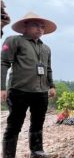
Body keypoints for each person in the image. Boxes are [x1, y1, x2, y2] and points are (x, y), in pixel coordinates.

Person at [1, 11, 57, 158]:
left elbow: (48, 68)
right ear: (25, 26)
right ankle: (8, 155)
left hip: (40, 92)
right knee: (14, 126)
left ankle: (37, 151)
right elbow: (4, 63)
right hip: (19, 91)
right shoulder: (14, 41)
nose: (40, 29)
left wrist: (51, 86)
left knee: (38, 123)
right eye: (35, 25)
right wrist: (1, 87)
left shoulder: (46, 48)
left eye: (42, 26)